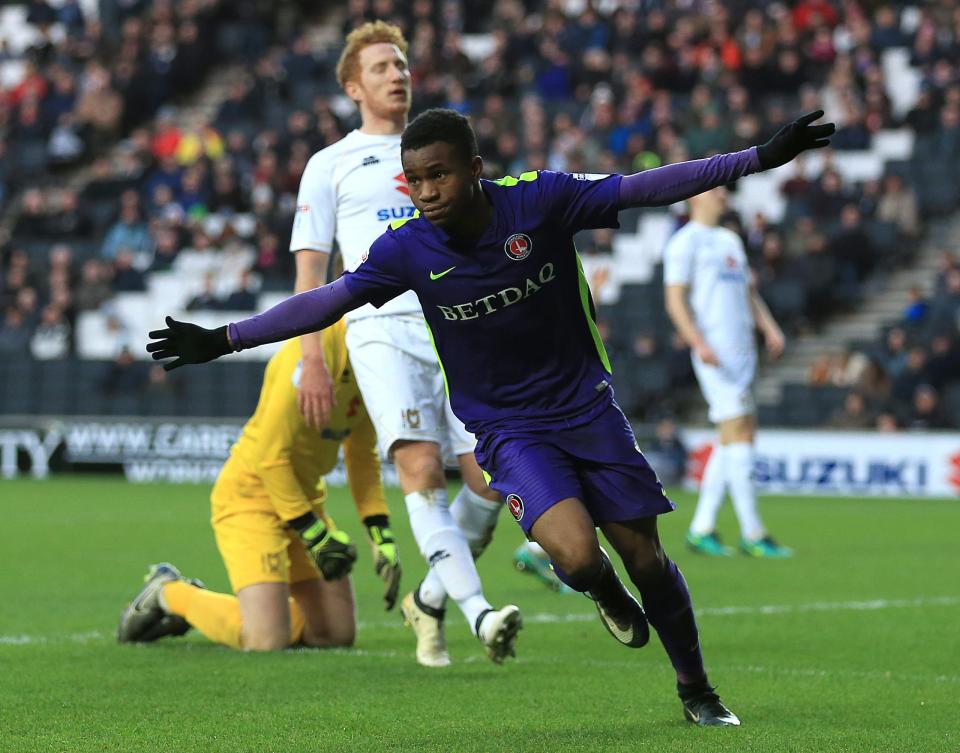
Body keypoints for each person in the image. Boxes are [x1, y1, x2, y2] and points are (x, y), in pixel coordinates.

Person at [146, 107, 834, 725]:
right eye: (415, 181)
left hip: (588, 410)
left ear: (474, 169)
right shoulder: (408, 250)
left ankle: (696, 689)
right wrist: (225, 337)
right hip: (509, 430)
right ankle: (601, 590)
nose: (427, 191)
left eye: (440, 174)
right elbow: (330, 298)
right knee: (576, 551)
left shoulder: (540, 202)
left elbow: (644, 187)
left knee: (647, 558)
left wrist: (756, 158)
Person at [288, 21, 515, 668]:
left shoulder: (445, 148)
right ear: (353, 85)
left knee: (492, 478)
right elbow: (310, 273)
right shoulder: (329, 165)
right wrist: (310, 358)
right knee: (418, 469)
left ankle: (430, 597)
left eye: (403, 64)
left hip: (459, 321)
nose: (398, 74)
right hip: (379, 328)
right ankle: (480, 614)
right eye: (383, 67)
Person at [118, 320, 400, 651]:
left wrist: (380, 534)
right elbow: (269, 457)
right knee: (266, 640)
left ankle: (269, 613)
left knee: (334, 635)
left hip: (303, 499)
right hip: (250, 495)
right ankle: (169, 592)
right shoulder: (309, 354)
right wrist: (314, 534)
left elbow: (362, 455)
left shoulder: (374, 357)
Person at [664, 186, 794, 559]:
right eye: (715, 189)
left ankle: (701, 528)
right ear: (694, 197)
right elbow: (674, 300)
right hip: (715, 354)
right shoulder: (684, 243)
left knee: (732, 435)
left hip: (742, 354)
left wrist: (769, 328)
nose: (723, 194)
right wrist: (697, 342)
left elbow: (749, 292)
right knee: (741, 431)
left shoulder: (729, 239)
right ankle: (754, 531)